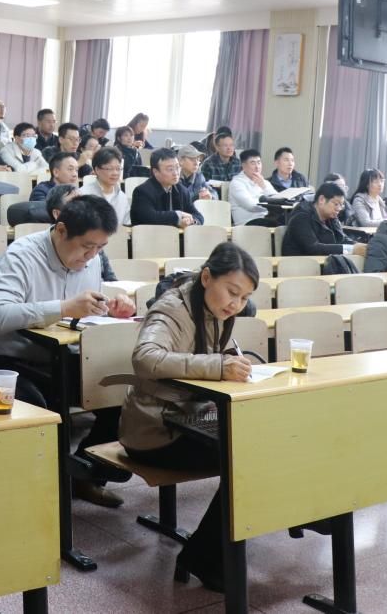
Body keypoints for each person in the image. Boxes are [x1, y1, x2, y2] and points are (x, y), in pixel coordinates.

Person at [0, 196, 135, 508]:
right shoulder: (23, 254)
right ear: (61, 230)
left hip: (63, 360)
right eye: (87, 247)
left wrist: (110, 310)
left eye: (100, 248)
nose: (92, 256)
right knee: (42, 413)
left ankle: (87, 476)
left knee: (120, 392)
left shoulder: (91, 260)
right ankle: (43, 494)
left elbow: (82, 316)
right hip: (11, 362)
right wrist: (62, 308)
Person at [120, 242, 259, 592]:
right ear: (207, 277)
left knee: (261, 446)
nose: (236, 304)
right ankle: (205, 557)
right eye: (232, 292)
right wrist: (218, 366)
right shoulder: (172, 309)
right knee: (246, 460)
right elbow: (145, 358)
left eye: (244, 298)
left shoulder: (213, 309)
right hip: (153, 430)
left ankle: (206, 551)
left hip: (186, 418)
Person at [281, 182, 366, 256]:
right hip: (299, 265)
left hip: (324, 263)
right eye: (336, 204)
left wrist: (359, 246)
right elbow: (313, 248)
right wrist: (351, 249)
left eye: (341, 205)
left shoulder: (331, 217)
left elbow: (342, 239)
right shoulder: (301, 217)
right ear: (321, 200)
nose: (339, 209)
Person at [130, 148, 203, 227]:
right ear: (155, 172)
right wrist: (177, 216)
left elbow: (198, 216)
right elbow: (149, 217)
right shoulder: (142, 192)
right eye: (170, 169)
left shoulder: (182, 191)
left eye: (177, 167)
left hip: (176, 235)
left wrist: (192, 221)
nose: (175, 173)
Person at [80, 146, 130, 226]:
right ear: (97, 170)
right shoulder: (83, 194)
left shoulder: (122, 197)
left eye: (118, 169)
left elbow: (126, 226)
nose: (115, 173)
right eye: (110, 169)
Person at [228, 149, 278, 226]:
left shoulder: (264, 182)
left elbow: (278, 200)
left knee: (288, 220)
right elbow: (251, 206)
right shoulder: (237, 183)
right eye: (253, 163)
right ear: (244, 166)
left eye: (259, 162)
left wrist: (264, 187)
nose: (257, 167)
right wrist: (272, 207)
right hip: (247, 223)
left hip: (266, 218)